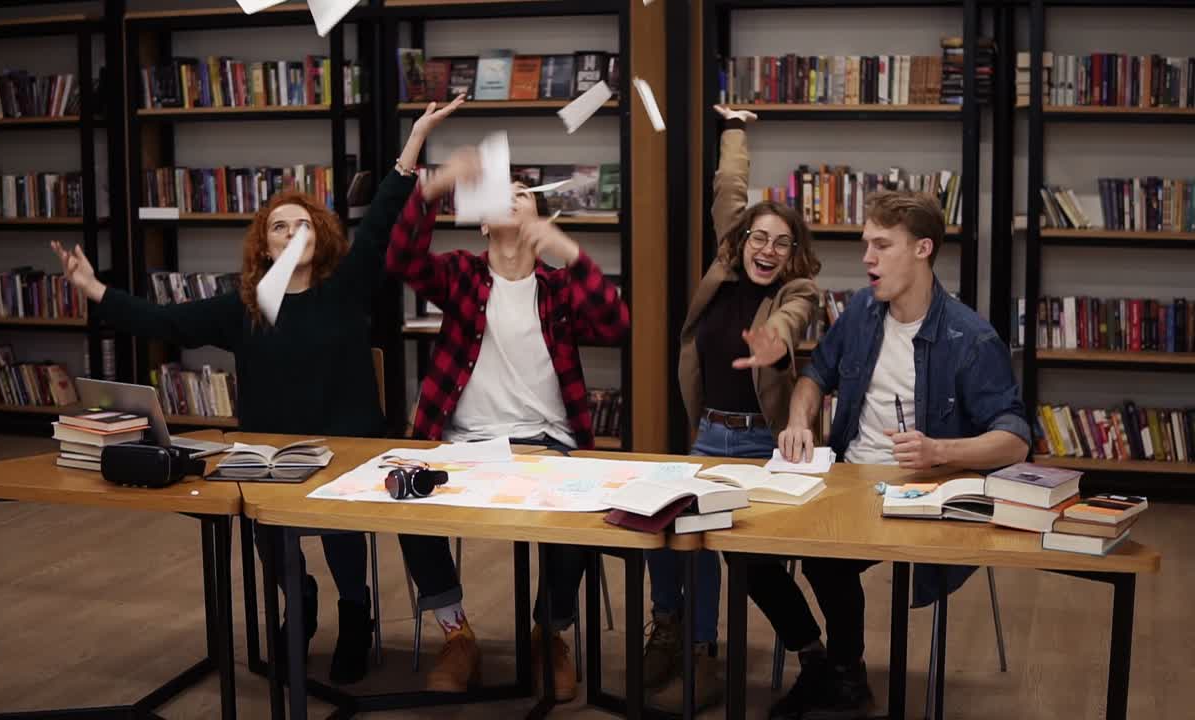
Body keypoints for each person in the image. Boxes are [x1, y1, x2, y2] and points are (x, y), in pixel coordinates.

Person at [51, 97, 477, 690]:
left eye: (303, 224)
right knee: (265, 522)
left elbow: (383, 214)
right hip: (269, 458)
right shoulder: (245, 306)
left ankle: (355, 614)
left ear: (321, 237)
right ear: (266, 246)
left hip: (349, 452)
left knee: (339, 526)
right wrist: (95, 290)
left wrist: (416, 139)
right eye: (279, 226)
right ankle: (298, 603)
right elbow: (165, 321)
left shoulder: (348, 285)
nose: (292, 232)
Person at [745, 189, 1030, 720]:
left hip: (919, 490)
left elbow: (1015, 439)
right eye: (865, 245)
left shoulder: (970, 338)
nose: (867, 258)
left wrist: (939, 449)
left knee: (825, 556)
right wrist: (799, 421)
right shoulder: (861, 311)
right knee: (745, 546)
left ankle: (845, 675)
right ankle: (817, 659)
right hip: (847, 477)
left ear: (922, 249)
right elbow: (814, 376)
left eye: (881, 245)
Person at [386, 150, 629, 702]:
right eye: (501, 193)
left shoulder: (558, 287)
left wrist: (567, 251)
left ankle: (549, 634)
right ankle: (457, 634)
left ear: (538, 217)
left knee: (582, 513)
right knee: (405, 500)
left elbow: (616, 323)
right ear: (481, 221)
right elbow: (401, 260)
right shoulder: (461, 275)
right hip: (463, 443)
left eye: (522, 194)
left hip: (548, 442)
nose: (511, 197)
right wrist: (432, 188)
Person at [642, 104, 822, 711]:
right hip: (707, 436)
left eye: (782, 244)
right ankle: (673, 630)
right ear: (742, 241)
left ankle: (709, 654)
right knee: (663, 524)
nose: (767, 250)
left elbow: (794, 318)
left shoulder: (798, 291)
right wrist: (735, 129)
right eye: (759, 238)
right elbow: (730, 189)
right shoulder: (724, 265)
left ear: (792, 255)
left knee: (721, 543)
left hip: (759, 445)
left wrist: (775, 343)